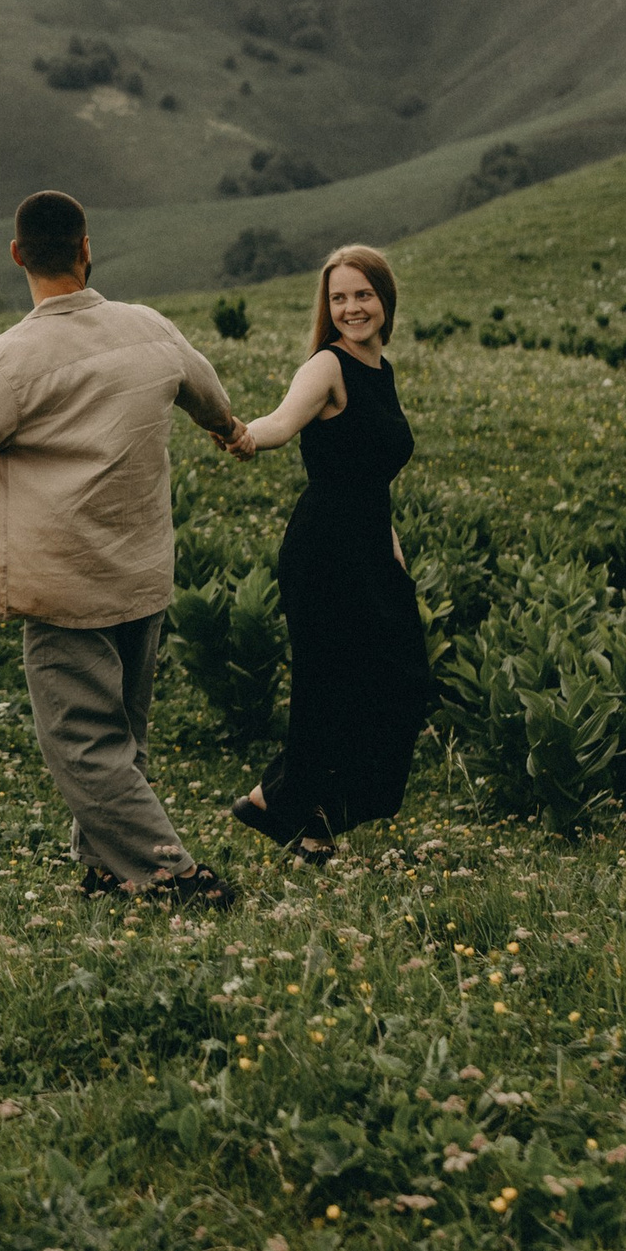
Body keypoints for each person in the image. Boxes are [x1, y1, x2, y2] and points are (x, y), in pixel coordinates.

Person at [0, 186, 247, 907]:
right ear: (87, 249)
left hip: (64, 584)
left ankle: (173, 874)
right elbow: (209, 394)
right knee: (123, 733)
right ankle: (107, 871)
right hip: (143, 570)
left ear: (16, 256)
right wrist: (225, 428)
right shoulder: (150, 327)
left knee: (84, 745)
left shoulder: (12, 360)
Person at [226, 241, 432, 863]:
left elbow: (372, 475)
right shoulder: (327, 367)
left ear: (385, 299)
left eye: (362, 294)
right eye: (338, 297)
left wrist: (392, 548)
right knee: (331, 687)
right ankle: (311, 825)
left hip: (371, 548)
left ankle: (275, 798)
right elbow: (282, 422)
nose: (351, 308)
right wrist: (243, 435)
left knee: (401, 684)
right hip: (324, 552)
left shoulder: (382, 370)